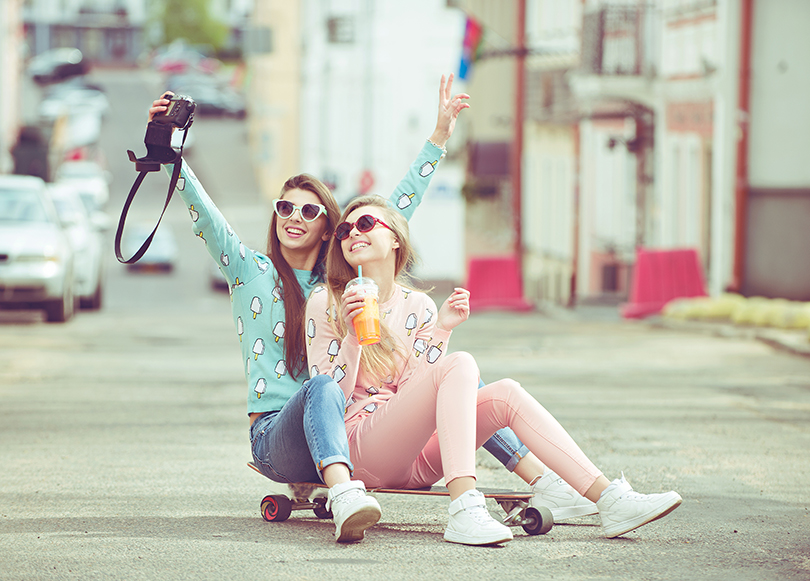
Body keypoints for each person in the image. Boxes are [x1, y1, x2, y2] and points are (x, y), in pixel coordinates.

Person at [144, 74, 470, 543]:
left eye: (309, 212)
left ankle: (541, 477)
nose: (294, 218)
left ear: (329, 230)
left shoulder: (337, 282)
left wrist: (438, 137)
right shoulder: (249, 271)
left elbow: (392, 212)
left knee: (457, 376)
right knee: (321, 386)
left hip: (350, 427)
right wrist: (171, 148)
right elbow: (206, 214)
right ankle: (343, 497)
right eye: (285, 208)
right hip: (277, 437)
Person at [305, 195, 683, 546]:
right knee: (463, 364)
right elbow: (326, 393)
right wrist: (354, 339)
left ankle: (610, 500)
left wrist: (442, 329)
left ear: (396, 240)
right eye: (344, 230)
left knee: (505, 392)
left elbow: (414, 387)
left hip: (414, 456)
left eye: (366, 223)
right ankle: (465, 508)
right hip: (360, 449)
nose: (353, 232)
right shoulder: (326, 300)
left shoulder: (418, 305)